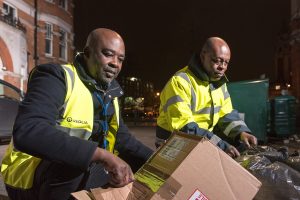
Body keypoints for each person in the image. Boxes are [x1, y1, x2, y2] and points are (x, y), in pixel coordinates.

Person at [1, 28, 153, 200]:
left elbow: (125, 142)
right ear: (88, 53)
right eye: (108, 54)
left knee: (125, 169)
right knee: (78, 160)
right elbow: (28, 131)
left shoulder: (109, 93)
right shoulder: (56, 76)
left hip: (72, 175)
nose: (115, 63)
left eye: (120, 59)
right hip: (28, 178)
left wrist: (159, 162)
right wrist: (102, 155)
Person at [156, 37, 257, 157]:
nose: (222, 67)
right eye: (217, 61)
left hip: (200, 141)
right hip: (172, 145)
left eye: (226, 62)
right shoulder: (180, 82)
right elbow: (184, 128)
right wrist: (220, 146)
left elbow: (226, 114)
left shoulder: (218, 84)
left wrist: (241, 133)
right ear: (203, 56)